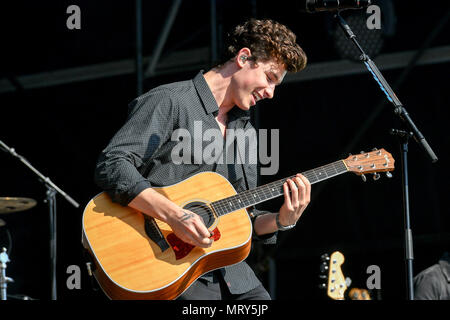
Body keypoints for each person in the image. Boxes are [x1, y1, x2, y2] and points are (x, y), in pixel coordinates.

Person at [94, 18, 310, 300]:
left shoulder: (246, 132)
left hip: (233, 277)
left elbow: (243, 219)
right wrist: (174, 214)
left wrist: (282, 220)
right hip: (168, 269)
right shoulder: (170, 101)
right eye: (270, 78)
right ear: (244, 58)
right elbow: (113, 164)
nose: (271, 93)